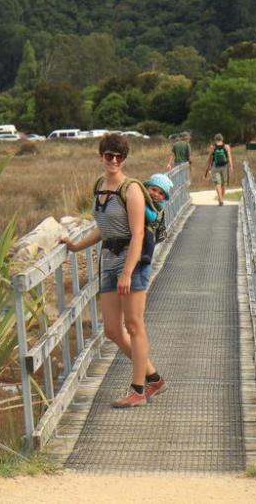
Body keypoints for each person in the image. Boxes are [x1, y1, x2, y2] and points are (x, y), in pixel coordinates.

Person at [59, 133, 164, 408]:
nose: (114, 160)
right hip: (108, 260)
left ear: (124, 159)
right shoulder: (99, 186)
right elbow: (101, 228)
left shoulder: (131, 189)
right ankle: (153, 377)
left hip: (133, 261)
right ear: (101, 156)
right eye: (109, 156)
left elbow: (138, 233)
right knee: (113, 331)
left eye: (119, 157)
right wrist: (75, 246)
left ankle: (138, 390)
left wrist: (127, 272)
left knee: (134, 324)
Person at [203, 133, 234, 206]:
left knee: (217, 183)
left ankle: (220, 199)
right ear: (222, 139)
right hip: (225, 166)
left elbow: (209, 158)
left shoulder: (212, 147)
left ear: (215, 139)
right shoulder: (226, 146)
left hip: (215, 166)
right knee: (224, 183)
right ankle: (221, 198)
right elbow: (229, 157)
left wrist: (208, 167)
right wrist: (231, 166)